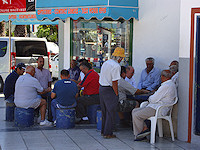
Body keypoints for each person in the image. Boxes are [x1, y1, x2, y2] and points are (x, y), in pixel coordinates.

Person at [132, 70, 177, 141]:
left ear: (163, 77)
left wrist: (151, 97)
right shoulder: (170, 84)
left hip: (158, 109)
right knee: (134, 111)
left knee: (137, 114)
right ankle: (144, 129)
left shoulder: (166, 86)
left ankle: (140, 135)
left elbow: (153, 99)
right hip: (157, 107)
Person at [99, 47, 125, 139]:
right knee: (111, 112)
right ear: (119, 58)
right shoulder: (116, 66)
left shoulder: (106, 63)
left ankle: (104, 131)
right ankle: (108, 133)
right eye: (121, 58)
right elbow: (114, 82)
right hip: (109, 90)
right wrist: (116, 94)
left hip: (102, 88)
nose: (122, 60)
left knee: (105, 111)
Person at [35, 56, 52, 121]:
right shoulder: (35, 71)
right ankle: (39, 115)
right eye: (40, 62)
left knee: (52, 97)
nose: (42, 63)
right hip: (38, 92)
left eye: (43, 62)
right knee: (39, 99)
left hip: (46, 91)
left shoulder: (47, 71)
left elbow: (49, 81)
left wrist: (49, 88)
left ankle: (50, 116)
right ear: (37, 62)